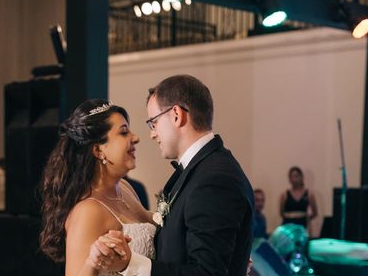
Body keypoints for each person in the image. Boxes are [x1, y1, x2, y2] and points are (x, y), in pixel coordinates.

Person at [90, 74, 255, 276]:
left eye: (154, 122)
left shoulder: (213, 180)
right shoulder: (204, 169)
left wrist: (131, 264)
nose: (152, 134)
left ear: (176, 114)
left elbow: (206, 273)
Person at [40, 99, 156, 275]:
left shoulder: (124, 188)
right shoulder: (88, 211)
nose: (135, 137)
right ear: (98, 151)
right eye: (124, 133)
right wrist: (93, 262)